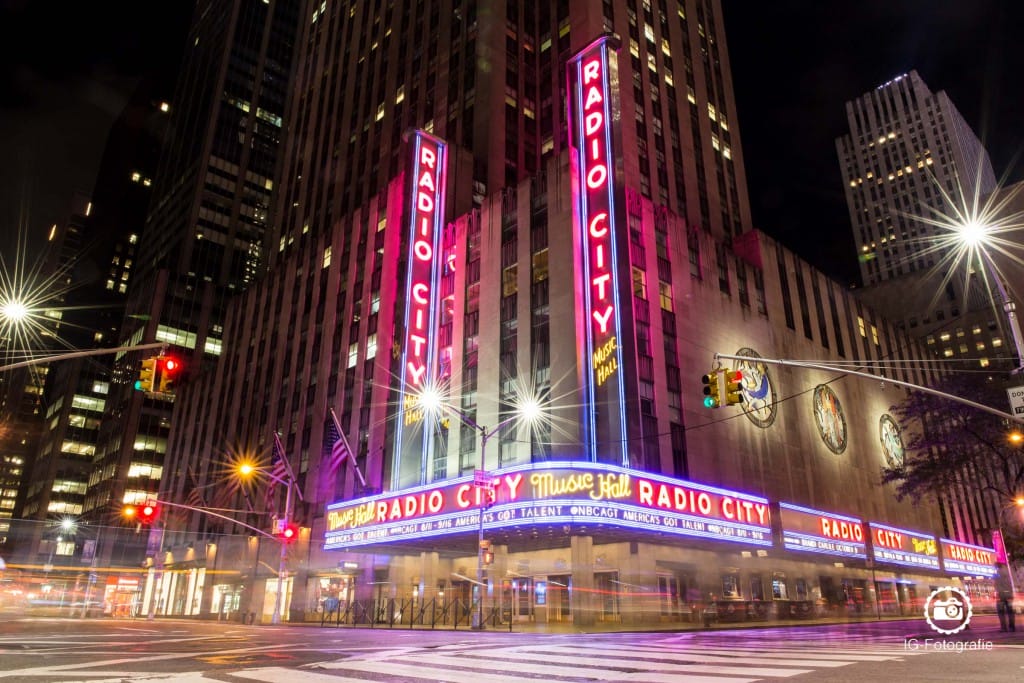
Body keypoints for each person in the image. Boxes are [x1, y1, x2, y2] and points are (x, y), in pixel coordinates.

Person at [995, 564, 1016, 632]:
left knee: (1001, 612)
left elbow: (996, 585)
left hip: (1001, 595)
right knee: (1010, 611)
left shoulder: (997, 574)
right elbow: (1012, 583)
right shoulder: (1009, 573)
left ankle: (1004, 628)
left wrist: (997, 594)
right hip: (1009, 594)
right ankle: (1012, 627)